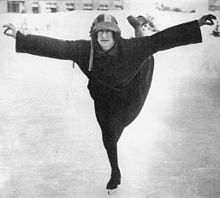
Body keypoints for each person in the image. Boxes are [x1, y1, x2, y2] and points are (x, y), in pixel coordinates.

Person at [2, 13, 216, 192]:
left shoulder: (130, 48)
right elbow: (55, 47)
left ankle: (139, 27)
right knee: (109, 136)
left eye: (109, 31)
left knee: (147, 53)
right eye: (100, 32)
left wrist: (196, 24)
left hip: (134, 90)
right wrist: (20, 37)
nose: (104, 35)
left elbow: (161, 40)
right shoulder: (84, 50)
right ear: (94, 35)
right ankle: (115, 171)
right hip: (105, 99)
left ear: (116, 34)